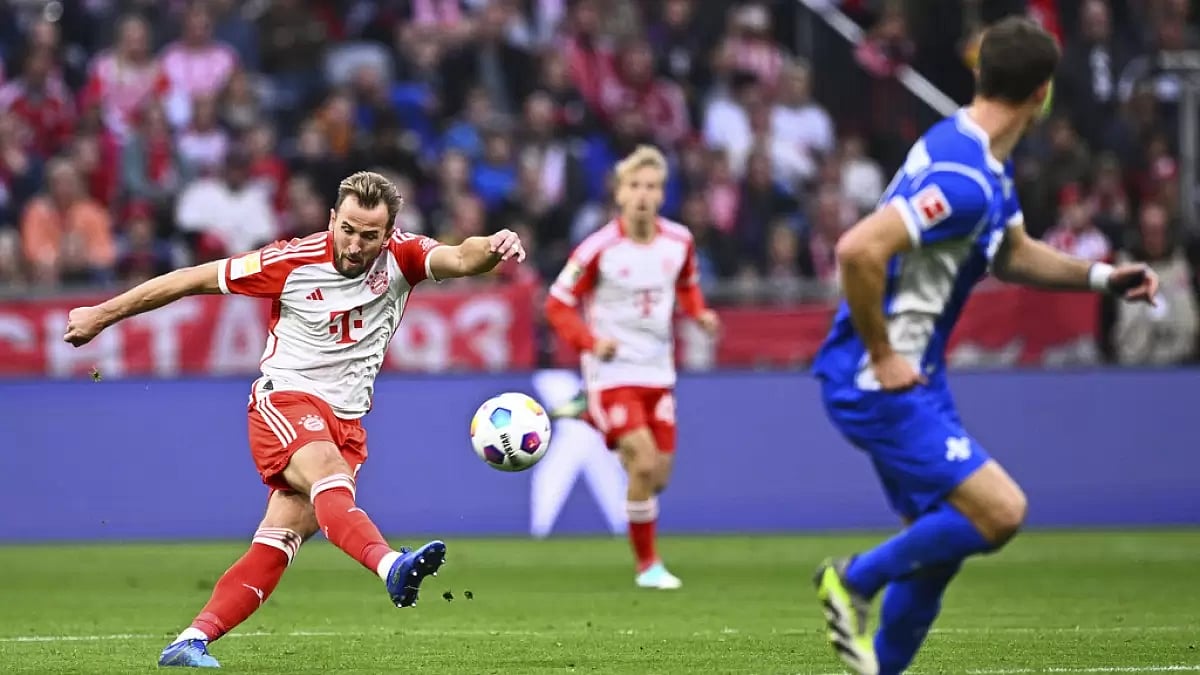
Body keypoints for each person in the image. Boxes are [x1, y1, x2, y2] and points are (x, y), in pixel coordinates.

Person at [62, 171, 526, 668]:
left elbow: (462, 257)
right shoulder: (290, 261)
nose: (355, 245)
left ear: (388, 234)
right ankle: (392, 566)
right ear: (332, 219)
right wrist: (101, 314)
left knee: (279, 538)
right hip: (285, 402)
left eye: (369, 235)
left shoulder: (403, 257)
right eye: (347, 229)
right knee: (329, 477)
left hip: (346, 423)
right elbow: (190, 278)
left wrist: (493, 246)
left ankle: (191, 640)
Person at [808, 18, 1158, 675]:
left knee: (942, 543)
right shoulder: (964, 179)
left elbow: (1013, 252)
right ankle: (853, 579)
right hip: (878, 378)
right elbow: (857, 249)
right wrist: (882, 354)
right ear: (1043, 94)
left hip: (917, 377)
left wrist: (1102, 277)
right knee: (1001, 511)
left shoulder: (978, 158)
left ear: (980, 74)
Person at [544, 145, 720, 590]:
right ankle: (648, 567)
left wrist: (698, 313)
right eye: (635, 186)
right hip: (612, 372)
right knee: (641, 463)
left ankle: (591, 414)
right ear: (620, 193)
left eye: (652, 187)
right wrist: (591, 342)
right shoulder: (598, 248)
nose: (643, 195)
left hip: (658, 372)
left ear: (662, 194)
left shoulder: (679, 241)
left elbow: (687, 286)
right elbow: (557, 304)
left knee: (658, 476)